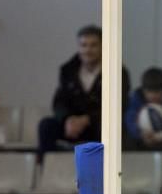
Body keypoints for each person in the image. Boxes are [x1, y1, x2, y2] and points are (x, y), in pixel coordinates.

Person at [38, 25, 131, 157]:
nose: (88, 50)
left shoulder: (118, 72)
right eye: (83, 45)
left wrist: (86, 120)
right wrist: (67, 119)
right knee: (46, 125)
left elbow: (120, 105)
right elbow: (59, 102)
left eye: (93, 45)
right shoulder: (67, 70)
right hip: (72, 126)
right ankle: (46, 170)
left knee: (113, 129)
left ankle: (106, 172)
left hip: (98, 124)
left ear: (102, 47)